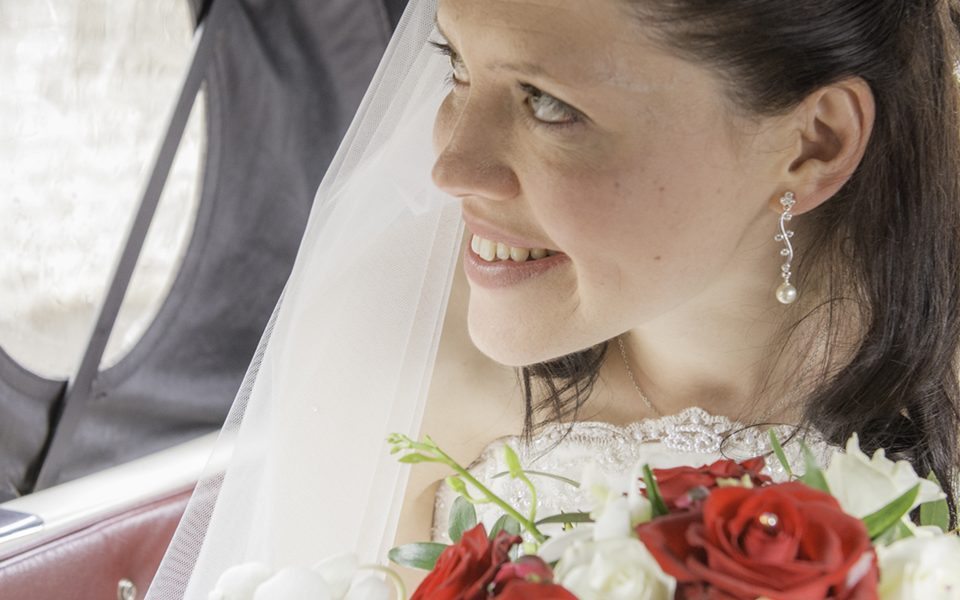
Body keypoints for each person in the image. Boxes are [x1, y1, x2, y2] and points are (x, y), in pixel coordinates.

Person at [147, 0, 960, 597]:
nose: (450, 168)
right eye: (456, 66)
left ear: (814, 143)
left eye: (548, 103)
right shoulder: (383, 344)